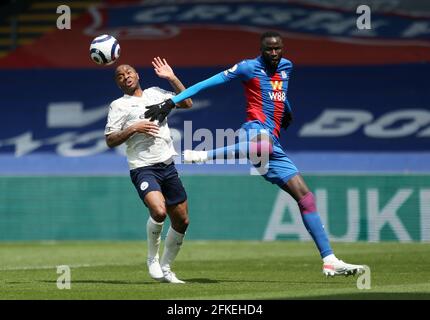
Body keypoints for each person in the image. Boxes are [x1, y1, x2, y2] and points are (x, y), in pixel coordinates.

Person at [144, 32, 364, 277]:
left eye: (277, 49)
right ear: (261, 49)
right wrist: (173, 101)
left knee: (305, 197)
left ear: (283, 49)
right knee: (262, 147)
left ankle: (329, 259)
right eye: (269, 49)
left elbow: (278, 91)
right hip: (255, 131)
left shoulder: (287, 67)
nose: (273, 53)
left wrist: (286, 109)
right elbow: (209, 82)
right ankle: (202, 156)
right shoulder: (248, 67)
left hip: (274, 140)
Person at [105, 58, 192, 283]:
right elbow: (110, 140)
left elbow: (187, 102)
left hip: (167, 165)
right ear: (118, 84)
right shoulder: (118, 105)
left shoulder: (156, 93)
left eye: (129, 72)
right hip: (143, 167)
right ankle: (152, 259)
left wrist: (172, 77)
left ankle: (166, 267)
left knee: (182, 221)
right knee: (159, 211)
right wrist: (134, 127)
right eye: (120, 76)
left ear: (138, 75)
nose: (126, 76)